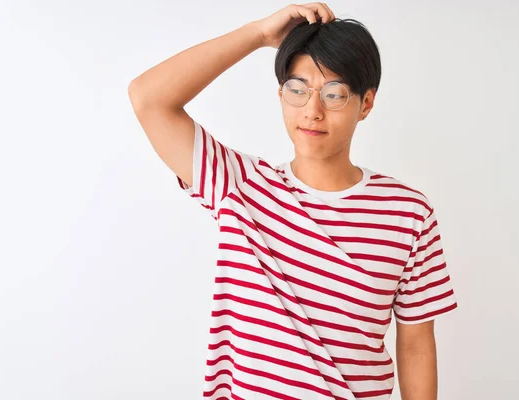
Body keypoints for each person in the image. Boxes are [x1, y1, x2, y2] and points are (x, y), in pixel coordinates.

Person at [128, 3, 457, 399]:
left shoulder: (408, 212)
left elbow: (416, 343)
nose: (312, 111)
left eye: (334, 94)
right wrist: (258, 35)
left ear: (365, 103)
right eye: (297, 90)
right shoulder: (241, 187)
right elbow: (148, 98)